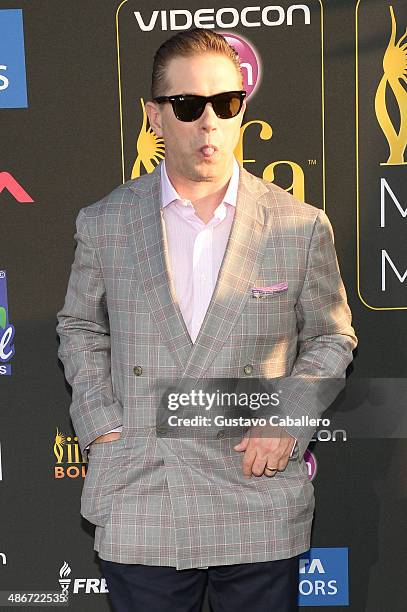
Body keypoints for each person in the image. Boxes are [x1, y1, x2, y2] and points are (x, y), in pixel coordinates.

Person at [56, 28, 357, 612]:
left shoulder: (298, 225)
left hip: (255, 490)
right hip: (142, 489)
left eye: (227, 104)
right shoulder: (106, 223)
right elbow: (81, 327)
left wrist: (288, 418)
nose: (210, 122)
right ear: (154, 116)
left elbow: (330, 335)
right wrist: (100, 424)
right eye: (189, 106)